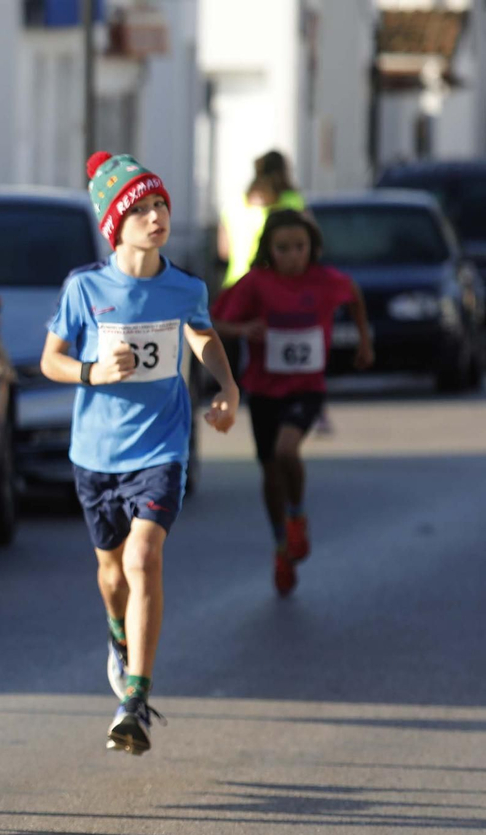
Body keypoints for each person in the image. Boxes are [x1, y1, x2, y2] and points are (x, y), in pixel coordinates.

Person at [40, 151, 241, 756]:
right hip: (96, 454)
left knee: (143, 557)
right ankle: (117, 636)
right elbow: (50, 360)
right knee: (110, 575)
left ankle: (135, 697)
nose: (156, 216)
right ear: (115, 223)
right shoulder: (86, 288)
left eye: (161, 206)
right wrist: (94, 373)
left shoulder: (185, 288)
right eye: (142, 208)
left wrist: (227, 389)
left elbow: (203, 334)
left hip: (162, 447)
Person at [211, 210, 373, 596]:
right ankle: (282, 546)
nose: (293, 256)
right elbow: (214, 321)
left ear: (312, 247)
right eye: (283, 248)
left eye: (300, 247)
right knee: (269, 471)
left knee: (287, 451)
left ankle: (297, 514)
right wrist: (242, 329)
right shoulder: (255, 284)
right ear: (269, 249)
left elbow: (354, 294)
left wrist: (365, 341)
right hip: (264, 390)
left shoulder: (324, 281)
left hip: (306, 387)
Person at [219, 150, 307, 287]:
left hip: (235, 284)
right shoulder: (292, 202)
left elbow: (224, 252)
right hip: (275, 287)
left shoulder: (234, 205)